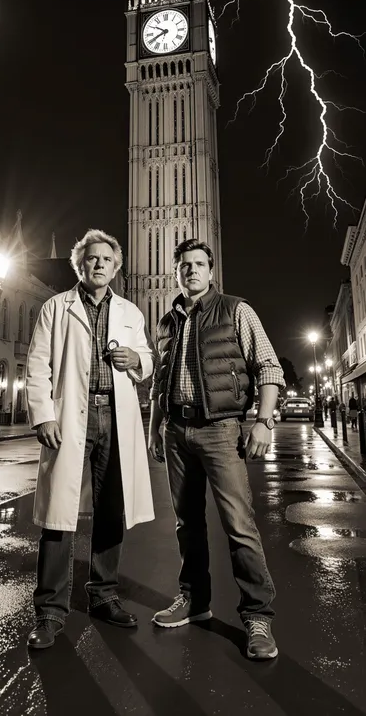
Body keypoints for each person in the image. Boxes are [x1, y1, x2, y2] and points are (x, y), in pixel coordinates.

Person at [148, 239, 285, 661]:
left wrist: (262, 420)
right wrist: (155, 428)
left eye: (198, 264)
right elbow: (158, 382)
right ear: (176, 273)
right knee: (186, 523)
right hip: (176, 429)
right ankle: (194, 598)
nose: (191, 271)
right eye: (184, 265)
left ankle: (258, 617)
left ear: (211, 270)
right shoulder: (167, 323)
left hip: (221, 430)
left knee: (238, 524)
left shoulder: (236, 310)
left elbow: (268, 366)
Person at [26, 228, 155, 649]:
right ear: (79, 265)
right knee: (58, 514)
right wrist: (43, 415)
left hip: (115, 414)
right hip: (68, 417)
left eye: (106, 259)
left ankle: (103, 595)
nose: (98, 264)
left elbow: (147, 361)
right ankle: (49, 611)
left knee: (111, 508)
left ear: (116, 267)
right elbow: (37, 364)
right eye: (91, 258)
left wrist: (137, 361)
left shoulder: (131, 313)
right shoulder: (55, 308)